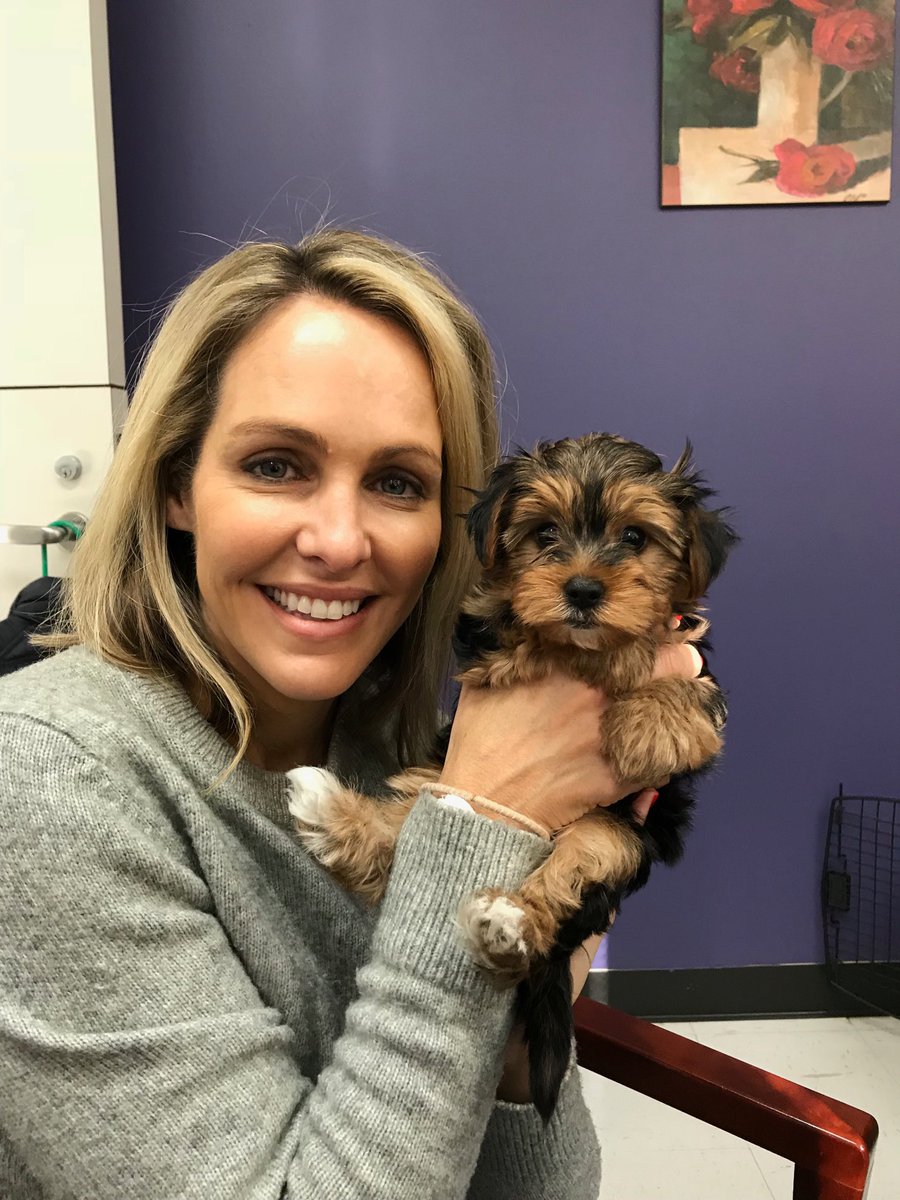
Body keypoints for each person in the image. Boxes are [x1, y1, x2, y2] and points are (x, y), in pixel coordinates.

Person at [0, 228, 700, 1199]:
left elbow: (541, 1180)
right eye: (277, 465)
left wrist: (513, 1039)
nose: (336, 540)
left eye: (398, 482)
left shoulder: (398, 735)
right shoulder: (43, 780)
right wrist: (475, 826)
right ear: (174, 483)